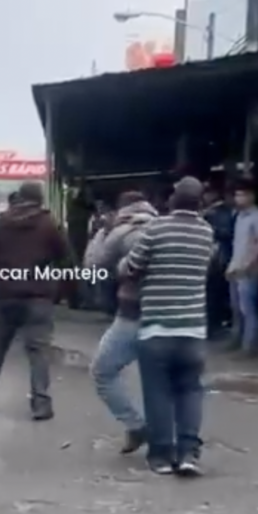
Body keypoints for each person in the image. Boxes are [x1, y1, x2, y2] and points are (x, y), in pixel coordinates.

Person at [119, 177, 212, 476]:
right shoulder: (206, 232)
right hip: (193, 329)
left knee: (158, 393)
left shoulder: (156, 228)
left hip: (156, 327)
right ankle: (188, 454)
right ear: (200, 203)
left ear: (173, 199)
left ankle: (160, 455)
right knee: (190, 391)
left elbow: (131, 267)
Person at [0, 181, 72, 420]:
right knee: (38, 353)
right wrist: (61, 290)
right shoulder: (48, 225)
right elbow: (66, 259)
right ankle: (41, 404)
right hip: (38, 296)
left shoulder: (1, 223)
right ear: (40, 199)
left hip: (6, 295)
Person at [84, 191, 157, 454]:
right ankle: (169, 437)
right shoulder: (162, 226)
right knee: (159, 379)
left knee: (102, 371)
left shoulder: (122, 231)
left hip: (133, 314)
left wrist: (102, 233)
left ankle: (136, 425)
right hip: (169, 314)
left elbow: (94, 266)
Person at [226, 178, 258, 357]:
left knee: (247, 308)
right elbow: (238, 244)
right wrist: (231, 265)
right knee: (236, 308)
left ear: (252, 195)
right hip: (236, 267)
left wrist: (248, 264)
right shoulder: (239, 216)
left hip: (249, 269)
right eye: (237, 194)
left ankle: (249, 346)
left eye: (242, 194)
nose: (238, 198)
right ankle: (237, 339)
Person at [203, 185, 235, 338]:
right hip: (216, 259)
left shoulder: (217, 212)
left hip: (219, 259)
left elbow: (225, 233)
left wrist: (212, 229)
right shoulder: (210, 211)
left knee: (215, 295)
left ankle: (214, 327)